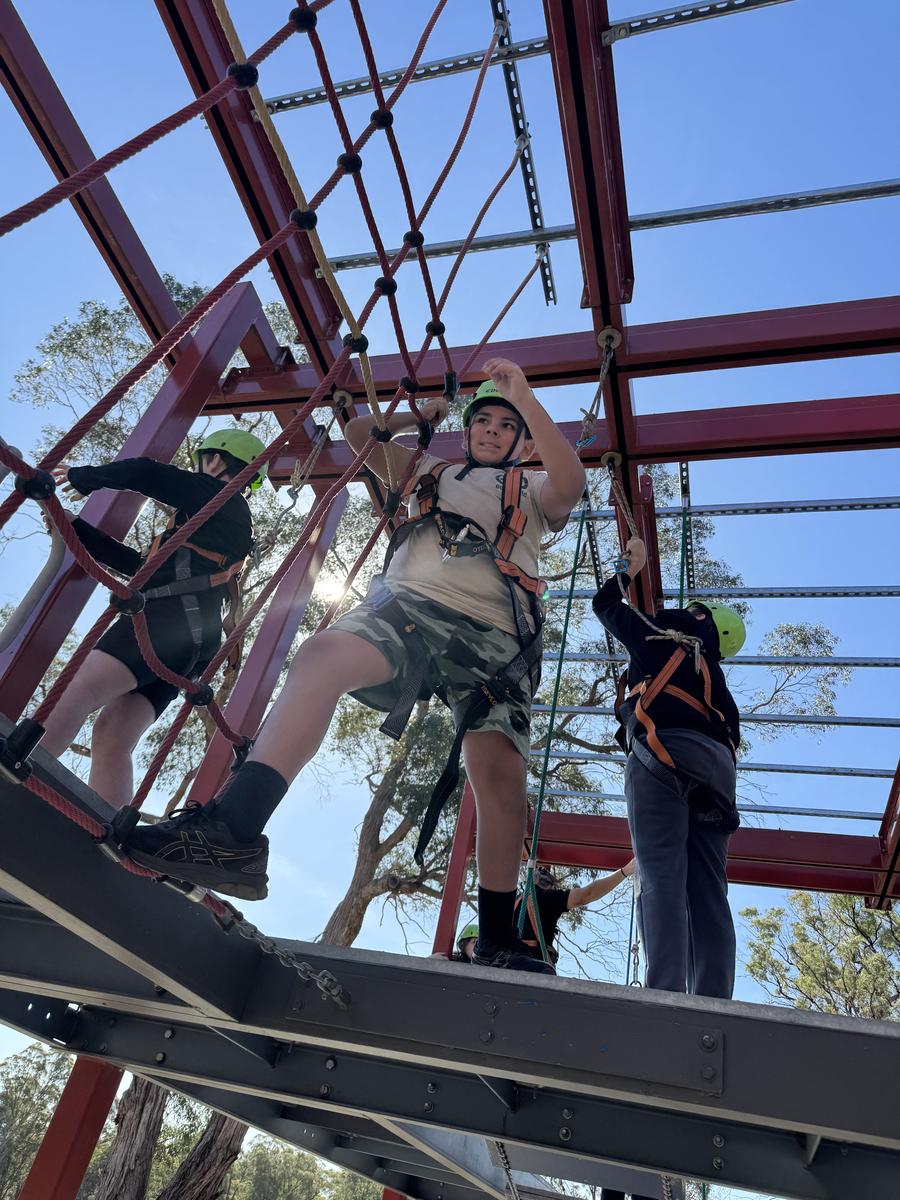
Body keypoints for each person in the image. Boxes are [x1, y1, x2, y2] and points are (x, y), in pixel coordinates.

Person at [124, 358, 586, 969]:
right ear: (467, 431)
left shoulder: (530, 489)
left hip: (495, 633)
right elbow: (359, 434)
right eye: (484, 422)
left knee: (498, 772)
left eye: (507, 426)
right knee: (322, 655)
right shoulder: (429, 469)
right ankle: (233, 832)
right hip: (410, 608)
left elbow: (571, 480)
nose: (494, 431)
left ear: (522, 441)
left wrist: (525, 397)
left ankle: (498, 937)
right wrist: (417, 418)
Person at [40, 428, 266, 809]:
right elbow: (138, 566)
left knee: (79, 689)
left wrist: (85, 477)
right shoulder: (216, 525)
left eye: (202, 460)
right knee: (113, 734)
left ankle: (18, 770)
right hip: (191, 643)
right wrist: (73, 527)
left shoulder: (219, 497)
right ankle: (105, 826)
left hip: (167, 619)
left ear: (215, 460)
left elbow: (146, 472)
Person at [592, 536, 746, 1000]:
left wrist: (629, 565)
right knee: (709, 891)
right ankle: (714, 1001)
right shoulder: (716, 680)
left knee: (660, 874)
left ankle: (665, 994)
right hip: (718, 775)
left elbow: (605, 604)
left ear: (699, 617)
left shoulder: (659, 637)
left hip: (662, 754)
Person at [515, 861, 635, 966]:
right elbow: (586, 895)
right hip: (532, 965)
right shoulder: (545, 898)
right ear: (548, 886)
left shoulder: (514, 903)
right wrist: (624, 872)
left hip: (509, 965)